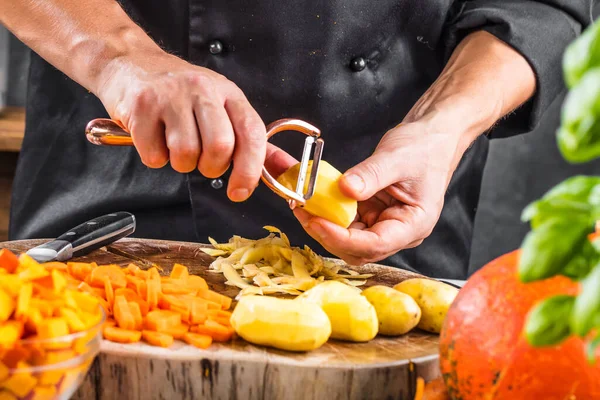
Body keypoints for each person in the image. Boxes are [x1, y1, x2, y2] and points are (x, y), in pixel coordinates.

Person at [0, 1, 591, 279]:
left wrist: (440, 126)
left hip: (385, 222)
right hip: (114, 203)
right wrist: (122, 59)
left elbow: (539, 4)